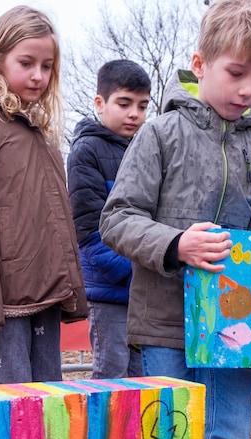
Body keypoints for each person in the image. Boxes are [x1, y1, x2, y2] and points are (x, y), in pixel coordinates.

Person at [101, 0, 251, 439]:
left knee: (229, 438)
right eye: (236, 73)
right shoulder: (159, 134)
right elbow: (118, 217)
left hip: (236, 329)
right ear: (200, 63)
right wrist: (176, 246)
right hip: (165, 325)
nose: (248, 90)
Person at [0, 6, 88, 384]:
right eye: (27, 62)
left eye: (47, 65)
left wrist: (68, 285)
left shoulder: (41, 129)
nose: (38, 76)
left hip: (45, 295)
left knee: (48, 407)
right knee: (10, 410)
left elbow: (57, 216)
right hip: (2, 302)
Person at [67, 59, 151, 380]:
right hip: (109, 291)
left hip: (142, 293)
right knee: (111, 374)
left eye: (143, 106)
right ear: (100, 103)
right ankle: (102, 433)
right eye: (124, 103)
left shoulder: (146, 148)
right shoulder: (86, 151)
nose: (135, 114)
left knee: (142, 377)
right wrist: (132, 275)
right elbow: (89, 230)